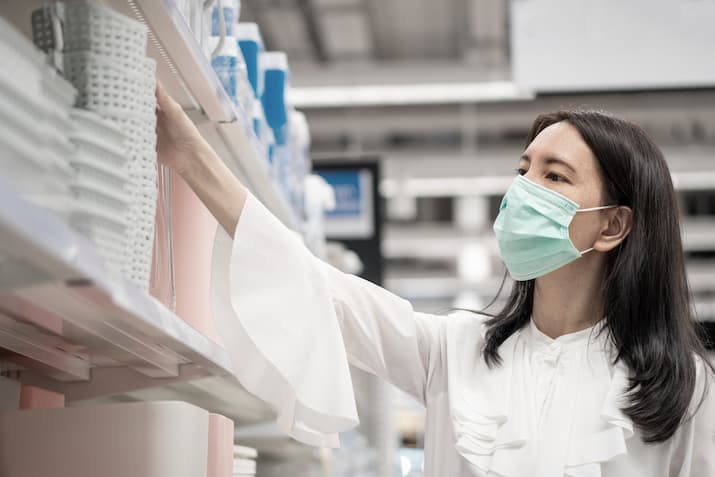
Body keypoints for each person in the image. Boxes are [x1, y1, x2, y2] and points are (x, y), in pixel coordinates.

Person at [155, 83, 715, 476]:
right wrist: (189, 155)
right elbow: (319, 287)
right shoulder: (456, 350)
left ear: (613, 225)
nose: (521, 190)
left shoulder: (685, 386)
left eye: (555, 176)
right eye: (523, 170)